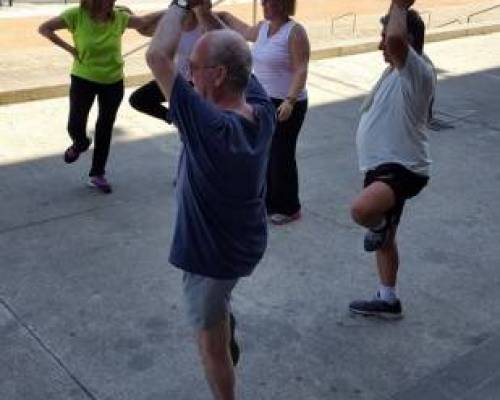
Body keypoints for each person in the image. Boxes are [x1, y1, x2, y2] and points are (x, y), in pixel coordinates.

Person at [146, 1, 276, 399]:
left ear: (218, 76)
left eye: (195, 67)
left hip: (210, 258)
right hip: (245, 243)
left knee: (211, 347)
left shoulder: (210, 127)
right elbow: (239, 53)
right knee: (221, 304)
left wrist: (181, 5)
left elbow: (157, 56)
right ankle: (223, 315)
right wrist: (204, 13)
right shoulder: (261, 109)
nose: (187, 73)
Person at [349, 0, 435, 319]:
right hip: (383, 167)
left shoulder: (417, 70)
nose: (379, 45)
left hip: (402, 169)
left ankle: (381, 224)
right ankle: (388, 299)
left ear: (407, 40)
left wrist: (398, 4)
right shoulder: (396, 71)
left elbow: (396, 42)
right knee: (386, 240)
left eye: (383, 37)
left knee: (362, 210)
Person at [38, 0, 164, 193]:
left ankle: (97, 174)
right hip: (83, 79)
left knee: (104, 128)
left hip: (113, 82)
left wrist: (175, 7)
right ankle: (80, 143)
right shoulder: (76, 15)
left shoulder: (119, 17)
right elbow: (44, 28)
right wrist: (70, 49)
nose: (111, 3)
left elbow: (143, 21)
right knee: (75, 124)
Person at [217, 0, 310, 225]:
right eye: (262, 1)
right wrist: (223, 15)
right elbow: (244, 31)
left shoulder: (295, 32)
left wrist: (290, 100)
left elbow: (301, 69)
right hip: (263, 101)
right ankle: (269, 202)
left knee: (282, 155)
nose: (262, 4)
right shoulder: (263, 28)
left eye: (268, 1)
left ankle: (290, 207)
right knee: (265, 153)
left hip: (287, 102)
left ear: (282, 4)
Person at [129, 9, 204, 123]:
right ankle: (176, 119)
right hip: (176, 80)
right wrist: (169, 11)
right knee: (138, 99)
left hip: (198, 83)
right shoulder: (173, 26)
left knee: (196, 118)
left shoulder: (205, 25)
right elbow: (143, 28)